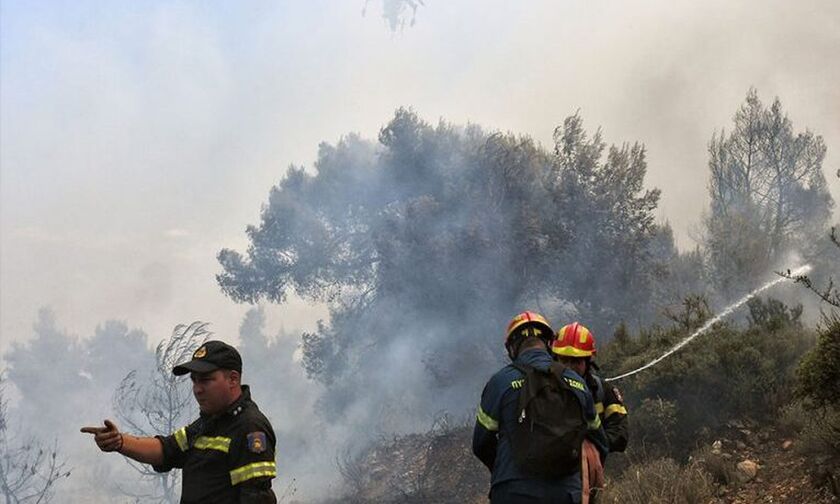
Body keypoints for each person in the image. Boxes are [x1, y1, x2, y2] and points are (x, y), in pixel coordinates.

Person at [82, 340, 277, 504]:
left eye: (206, 380)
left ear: (233, 379)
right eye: (194, 381)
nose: (197, 389)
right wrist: (119, 442)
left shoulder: (250, 428)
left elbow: (257, 497)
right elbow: (166, 449)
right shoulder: (207, 423)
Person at [472, 311, 607, 504]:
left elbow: (480, 443)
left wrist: (505, 470)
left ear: (511, 348)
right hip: (566, 493)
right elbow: (600, 441)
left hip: (513, 492)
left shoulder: (500, 382)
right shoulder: (576, 382)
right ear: (549, 343)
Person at [551, 323, 629, 503]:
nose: (569, 367)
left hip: (589, 484)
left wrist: (591, 445)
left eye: (576, 362)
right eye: (564, 360)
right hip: (551, 485)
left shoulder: (603, 391)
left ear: (588, 362)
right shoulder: (544, 392)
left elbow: (620, 434)